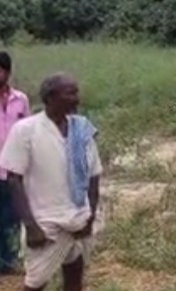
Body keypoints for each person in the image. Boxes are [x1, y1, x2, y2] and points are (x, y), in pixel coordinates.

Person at [0, 73, 102, 291]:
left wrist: (90, 216)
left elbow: (94, 175)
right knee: (35, 283)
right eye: (70, 93)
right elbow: (14, 180)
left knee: (74, 273)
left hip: (79, 218)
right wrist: (31, 226)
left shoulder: (82, 129)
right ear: (50, 97)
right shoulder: (26, 130)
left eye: (76, 92)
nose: (76, 98)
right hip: (45, 221)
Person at [0, 51, 30, 274]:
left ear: (8, 72)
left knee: (12, 216)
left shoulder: (21, 100)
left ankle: (9, 261)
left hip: (13, 170)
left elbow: (28, 132)